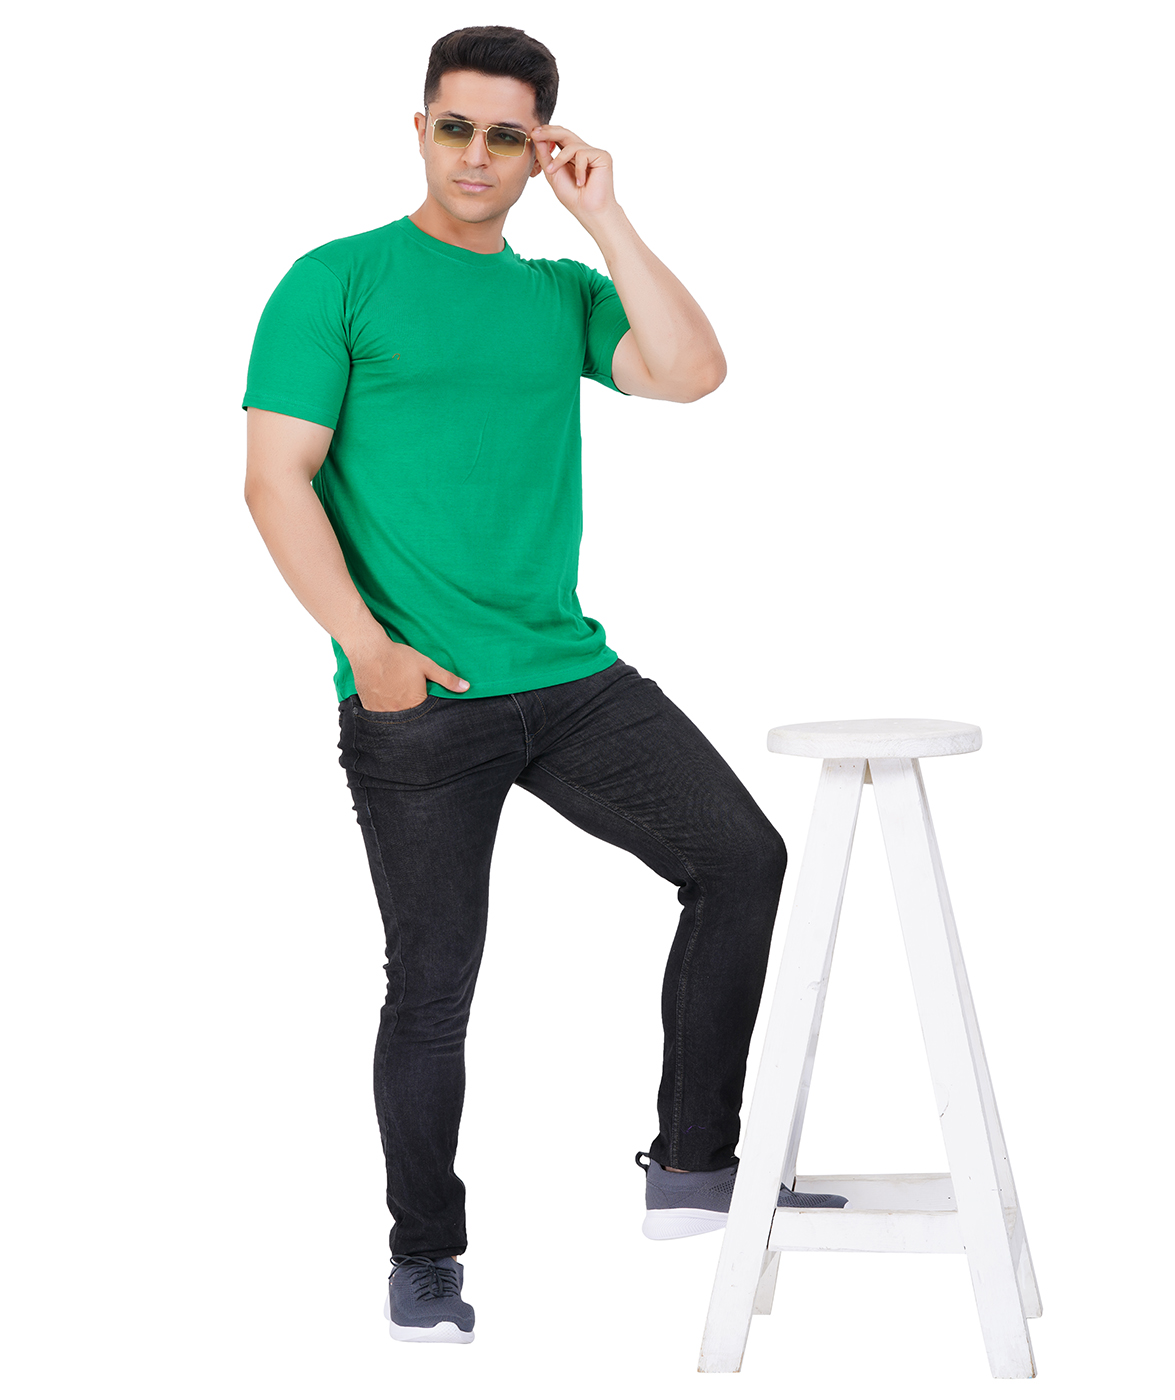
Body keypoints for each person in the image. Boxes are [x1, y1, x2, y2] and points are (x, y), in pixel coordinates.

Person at [242, 23, 845, 1347]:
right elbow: (275, 479)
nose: (476, 154)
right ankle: (424, 1259)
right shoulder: (337, 279)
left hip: (570, 679)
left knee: (742, 861)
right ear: (419, 131)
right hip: (421, 702)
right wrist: (371, 654)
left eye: (505, 135)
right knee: (434, 986)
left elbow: (691, 374)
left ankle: (692, 1163)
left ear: (540, 149)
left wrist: (607, 217)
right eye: (455, 126)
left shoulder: (561, 292)